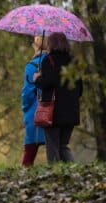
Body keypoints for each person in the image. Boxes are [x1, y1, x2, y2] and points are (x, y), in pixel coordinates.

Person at [33, 32, 83, 164]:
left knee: (53, 147)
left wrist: (37, 79)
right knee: (63, 146)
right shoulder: (74, 61)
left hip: (53, 112)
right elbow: (80, 89)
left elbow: (47, 83)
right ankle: (74, 172)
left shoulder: (48, 60)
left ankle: (54, 176)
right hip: (71, 112)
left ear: (52, 44)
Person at [21, 36, 47, 167]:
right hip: (52, 108)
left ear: (35, 45)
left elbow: (27, 92)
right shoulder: (53, 62)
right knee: (54, 147)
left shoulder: (32, 66)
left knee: (30, 148)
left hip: (35, 110)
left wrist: (24, 107)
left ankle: (24, 177)